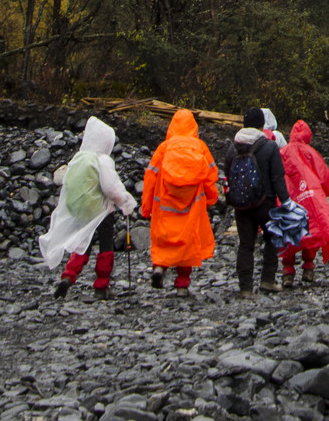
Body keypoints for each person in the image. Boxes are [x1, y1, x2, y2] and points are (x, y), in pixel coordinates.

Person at [40, 115, 136, 299]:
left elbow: (63, 179)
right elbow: (111, 188)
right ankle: (101, 284)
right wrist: (125, 202)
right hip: (102, 211)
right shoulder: (102, 160)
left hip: (81, 210)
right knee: (106, 246)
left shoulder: (79, 158)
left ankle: (68, 276)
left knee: (83, 244)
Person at [142, 108, 219, 292]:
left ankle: (160, 267)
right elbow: (211, 176)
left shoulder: (164, 148)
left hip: (165, 206)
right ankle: (182, 284)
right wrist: (212, 198)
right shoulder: (200, 147)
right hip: (191, 206)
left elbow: (150, 178)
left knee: (164, 241)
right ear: (194, 126)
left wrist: (146, 208)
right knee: (187, 243)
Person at [222, 107, 290, 296]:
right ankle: (267, 280)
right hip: (265, 203)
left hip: (241, 205)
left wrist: (231, 201)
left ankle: (245, 287)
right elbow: (278, 178)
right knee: (271, 239)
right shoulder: (269, 146)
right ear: (262, 125)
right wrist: (286, 203)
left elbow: (227, 178)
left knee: (245, 245)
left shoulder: (232, 148)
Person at [279, 119, 329, 287]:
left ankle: (288, 272)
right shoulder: (310, 152)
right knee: (311, 230)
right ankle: (308, 268)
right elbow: (323, 175)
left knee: (288, 232)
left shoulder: (282, 152)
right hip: (309, 198)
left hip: (289, 197)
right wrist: (327, 191)